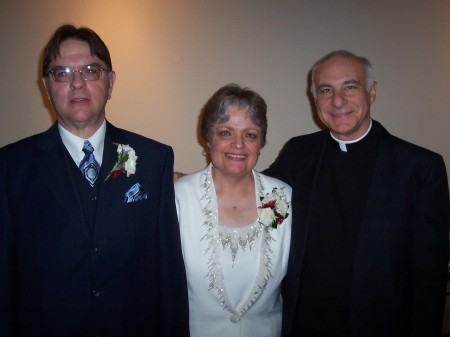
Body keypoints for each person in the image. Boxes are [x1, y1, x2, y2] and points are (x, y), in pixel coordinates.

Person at [0, 24, 189, 337]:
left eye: (90, 70)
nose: (77, 83)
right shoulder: (10, 168)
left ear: (111, 82)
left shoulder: (155, 160)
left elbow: (169, 273)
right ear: (46, 86)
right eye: (62, 72)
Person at [263, 50, 450, 337]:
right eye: (326, 90)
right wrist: (196, 181)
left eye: (350, 87)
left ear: (372, 91)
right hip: (304, 325)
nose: (338, 101)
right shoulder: (298, 152)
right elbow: (258, 200)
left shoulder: (420, 168)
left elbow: (429, 279)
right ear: (315, 99)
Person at [175, 84, 292, 337]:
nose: (238, 145)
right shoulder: (178, 197)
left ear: (261, 143)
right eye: (225, 132)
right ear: (207, 139)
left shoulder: (282, 198)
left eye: (250, 135)